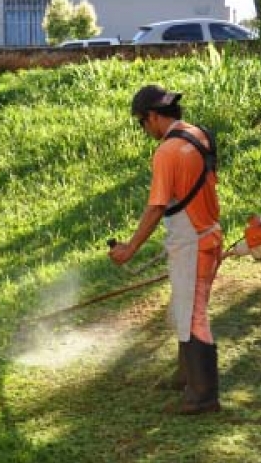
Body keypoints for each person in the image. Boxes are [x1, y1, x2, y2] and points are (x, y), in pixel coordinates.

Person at [109, 84, 224, 415]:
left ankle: (203, 396)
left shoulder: (167, 152)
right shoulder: (200, 135)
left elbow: (156, 207)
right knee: (184, 307)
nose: (144, 130)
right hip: (209, 233)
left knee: (193, 314)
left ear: (153, 117)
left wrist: (130, 248)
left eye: (141, 122)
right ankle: (186, 376)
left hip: (193, 242)